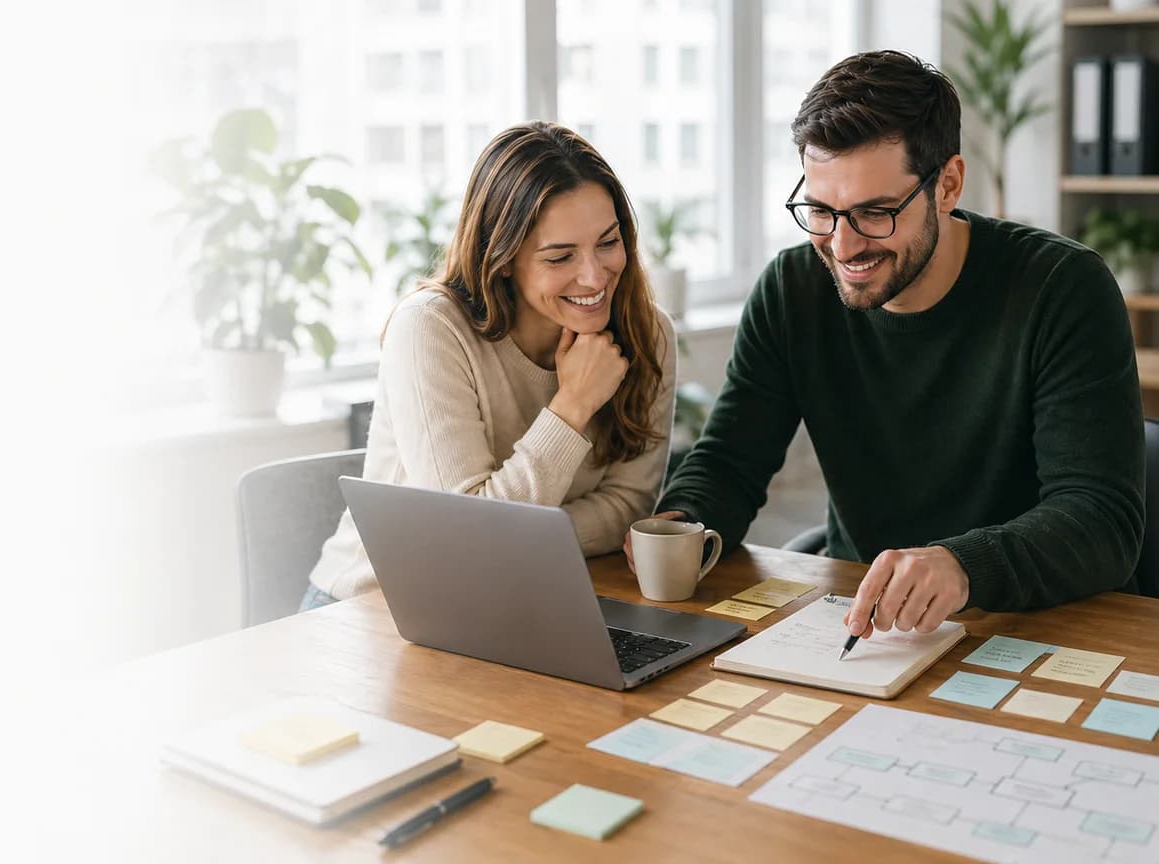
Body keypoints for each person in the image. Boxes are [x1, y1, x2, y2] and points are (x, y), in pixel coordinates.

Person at [630, 50, 1144, 640]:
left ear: (947, 184)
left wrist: (959, 566)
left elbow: (1101, 521)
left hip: (1048, 628)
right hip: (869, 629)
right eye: (821, 211)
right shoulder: (793, 288)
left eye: (875, 213)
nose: (843, 247)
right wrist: (679, 524)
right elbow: (728, 464)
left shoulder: (1061, 289)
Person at [301, 121, 677, 610]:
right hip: (377, 609)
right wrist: (573, 406)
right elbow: (469, 539)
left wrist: (512, 531)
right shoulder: (430, 330)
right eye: (560, 256)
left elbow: (627, 507)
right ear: (502, 258)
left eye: (608, 242)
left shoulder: (648, 335)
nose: (594, 274)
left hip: (529, 596)